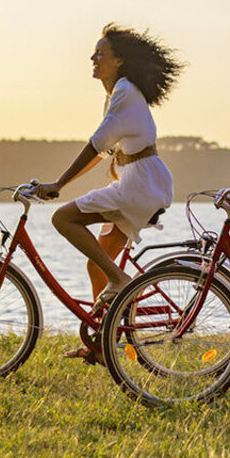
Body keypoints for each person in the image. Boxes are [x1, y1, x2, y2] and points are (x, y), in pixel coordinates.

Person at [35, 23, 183, 361]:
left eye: (100, 54)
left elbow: (94, 146)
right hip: (140, 180)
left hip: (140, 183)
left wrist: (58, 185)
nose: (93, 57)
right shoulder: (117, 92)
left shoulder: (125, 92)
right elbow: (102, 150)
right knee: (95, 266)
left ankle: (119, 279)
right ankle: (105, 343)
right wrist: (62, 183)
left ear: (119, 61)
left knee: (64, 218)